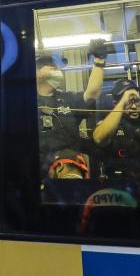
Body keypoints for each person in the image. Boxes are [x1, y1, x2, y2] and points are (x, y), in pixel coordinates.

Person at [37, 39, 108, 175]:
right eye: (52, 66)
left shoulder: (68, 99)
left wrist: (99, 60)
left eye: (58, 67)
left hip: (71, 168)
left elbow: (92, 92)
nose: (57, 70)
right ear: (38, 72)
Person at [92, 78, 140, 203]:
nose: (134, 106)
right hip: (120, 191)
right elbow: (98, 137)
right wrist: (123, 101)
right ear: (116, 103)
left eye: (137, 101)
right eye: (129, 102)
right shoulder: (110, 126)